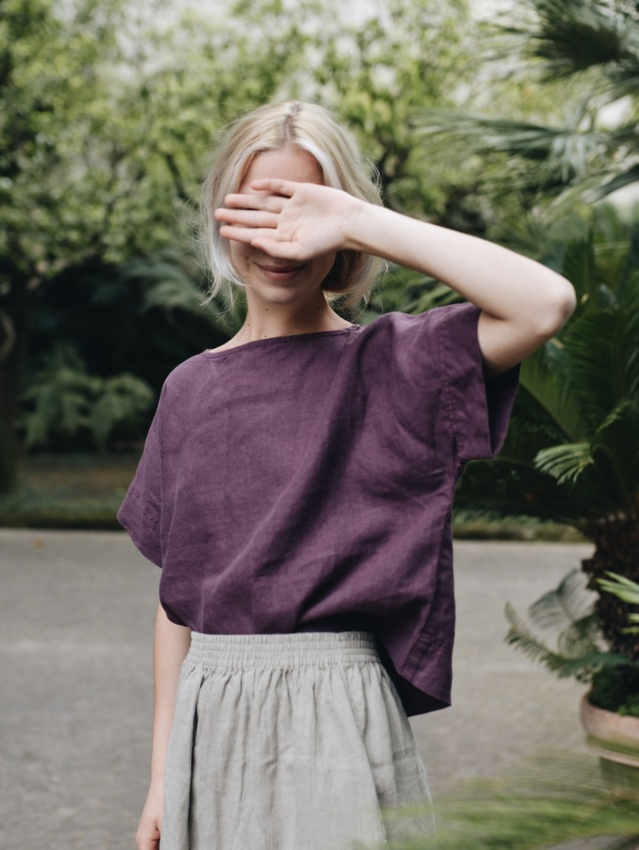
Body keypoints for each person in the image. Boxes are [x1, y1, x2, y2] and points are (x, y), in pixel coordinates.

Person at [117, 100, 576, 850]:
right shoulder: (189, 388)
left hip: (337, 712)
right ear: (220, 216)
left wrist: (360, 220)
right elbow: (177, 601)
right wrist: (161, 776)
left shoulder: (397, 363)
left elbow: (545, 302)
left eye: (304, 209)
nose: (281, 237)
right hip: (211, 713)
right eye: (260, 207)